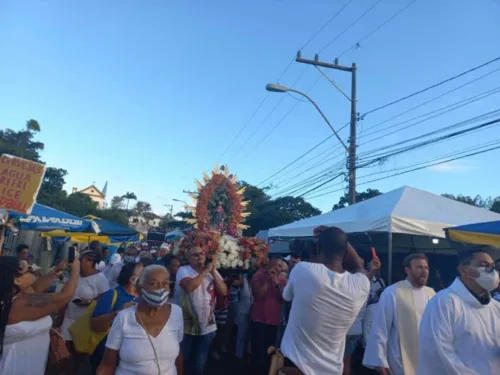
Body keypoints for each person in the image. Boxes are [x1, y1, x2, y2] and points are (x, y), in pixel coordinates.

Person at [280, 226, 375, 375]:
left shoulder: (302, 270)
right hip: (332, 370)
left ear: (319, 248)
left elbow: (286, 297)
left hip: (295, 366)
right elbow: (359, 265)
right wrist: (344, 243)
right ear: (346, 253)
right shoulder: (361, 285)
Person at [417, 250, 500, 374]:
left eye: (493, 266)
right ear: (463, 269)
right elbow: (439, 352)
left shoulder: (496, 307)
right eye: (484, 265)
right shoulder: (444, 302)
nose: (491, 271)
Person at [97, 265, 184, 375]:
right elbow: (107, 364)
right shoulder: (124, 317)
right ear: (140, 288)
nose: (160, 288)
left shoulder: (176, 313)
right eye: (153, 283)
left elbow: (178, 357)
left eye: (165, 283)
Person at [0, 255, 80, 374]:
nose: (33, 271)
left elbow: (35, 288)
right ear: (17, 280)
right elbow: (64, 297)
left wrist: (55, 271)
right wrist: (76, 270)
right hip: (17, 367)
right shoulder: (19, 305)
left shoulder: (11, 298)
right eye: (29, 270)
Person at [363, 253, 435, 375]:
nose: (424, 271)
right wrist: (380, 361)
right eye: (419, 267)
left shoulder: (432, 294)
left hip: (427, 360)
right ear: (407, 270)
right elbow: (381, 327)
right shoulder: (393, 292)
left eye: (426, 268)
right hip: (400, 361)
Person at [176, 246, 227, 375]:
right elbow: (190, 287)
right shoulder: (184, 270)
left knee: (200, 363)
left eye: (202, 254)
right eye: (196, 255)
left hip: (207, 326)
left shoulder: (212, 272)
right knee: (184, 360)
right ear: (188, 258)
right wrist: (205, 272)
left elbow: (223, 291)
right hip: (187, 325)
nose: (200, 257)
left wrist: (214, 273)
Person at [59, 249, 109, 372]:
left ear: (90, 262)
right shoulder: (76, 275)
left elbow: (104, 299)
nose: (79, 263)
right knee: (64, 350)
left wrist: (90, 302)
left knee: (77, 353)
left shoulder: (100, 278)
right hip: (69, 316)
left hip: (84, 321)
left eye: (82, 261)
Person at [89, 262, 144, 373]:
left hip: (133, 357)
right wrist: (118, 312)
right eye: (142, 274)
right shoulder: (113, 294)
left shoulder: (144, 298)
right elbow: (94, 324)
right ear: (132, 278)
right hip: (108, 354)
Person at [250, 259, 287, 375]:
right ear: (272, 264)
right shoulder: (259, 275)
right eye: (279, 265)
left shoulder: (282, 279)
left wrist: (276, 282)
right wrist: (268, 280)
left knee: (269, 353)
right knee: (258, 353)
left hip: (274, 322)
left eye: (282, 267)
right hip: (259, 321)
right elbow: (258, 294)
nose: (280, 269)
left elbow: (285, 298)